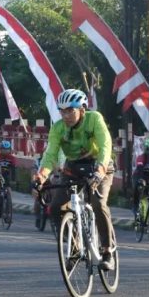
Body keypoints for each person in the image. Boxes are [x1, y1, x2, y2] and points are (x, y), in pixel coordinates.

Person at [32, 88, 116, 271]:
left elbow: (105, 145)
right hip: (74, 167)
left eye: (71, 110)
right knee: (55, 207)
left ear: (82, 109)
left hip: (99, 166)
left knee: (98, 202)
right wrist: (41, 176)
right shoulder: (58, 128)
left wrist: (100, 170)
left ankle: (107, 251)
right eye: (62, 111)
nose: (66, 115)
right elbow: (50, 155)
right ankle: (76, 246)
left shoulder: (95, 119)